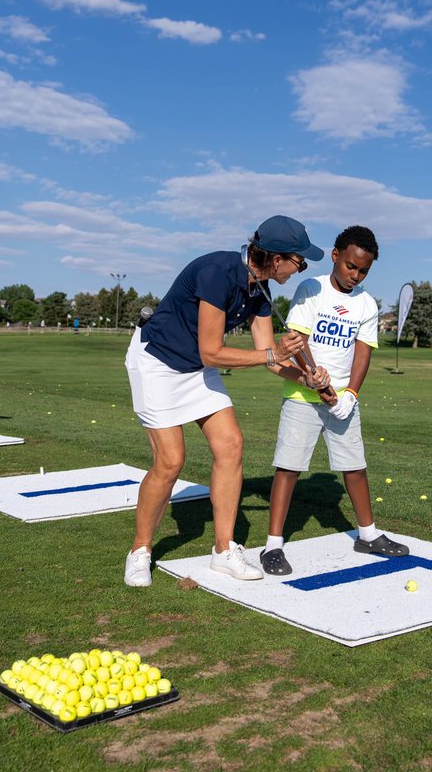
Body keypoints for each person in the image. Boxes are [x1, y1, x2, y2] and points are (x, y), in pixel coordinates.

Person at [123, 215, 331, 587]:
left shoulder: (262, 290)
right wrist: (274, 354)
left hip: (196, 367)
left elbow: (269, 357)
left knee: (232, 445)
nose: (302, 268)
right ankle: (140, 550)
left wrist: (306, 379)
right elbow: (212, 352)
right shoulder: (218, 272)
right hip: (157, 362)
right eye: (300, 261)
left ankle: (223, 550)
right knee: (171, 461)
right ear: (276, 256)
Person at [260, 226, 408, 575]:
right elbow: (297, 338)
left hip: (341, 401)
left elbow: (363, 353)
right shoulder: (311, 288)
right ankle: (273, 546)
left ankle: (368, 535)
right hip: (302, 396)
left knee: (355, 466)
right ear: (335, 255)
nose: (355, 275)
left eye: (363, 271)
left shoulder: (367, 304)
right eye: (351, 266)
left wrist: (350, 395)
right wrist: (312, 376)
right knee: (289, 467)